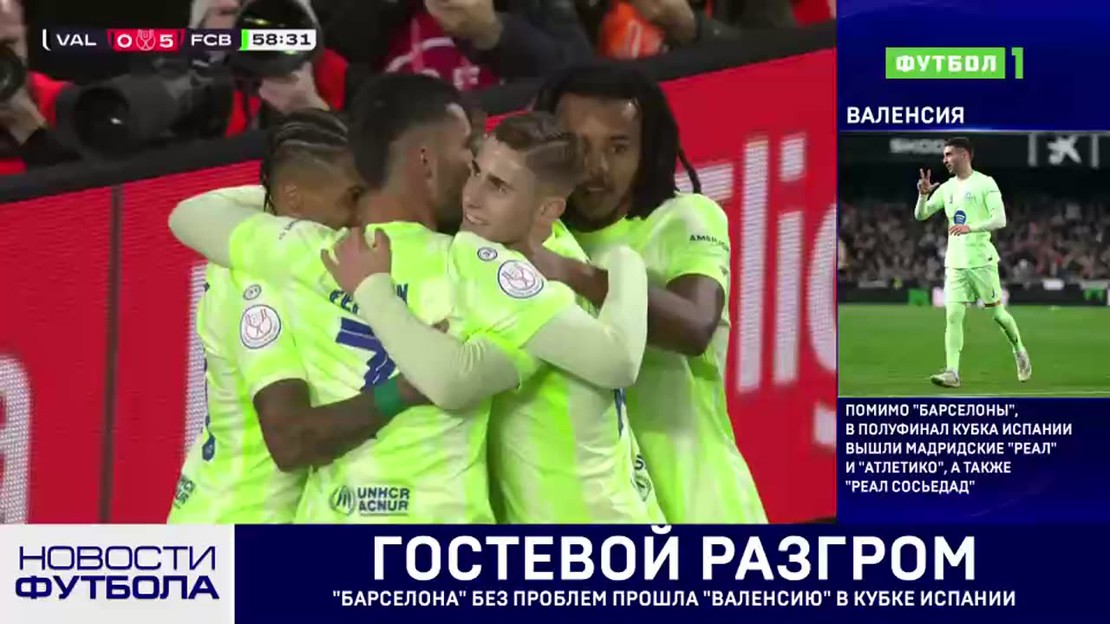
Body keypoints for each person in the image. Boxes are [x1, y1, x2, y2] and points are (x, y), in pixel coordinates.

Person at [170, 74, 489, 524]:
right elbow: (290, 440)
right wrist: (407, 387)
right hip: (235, 522)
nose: (363, 211)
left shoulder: (298, 257)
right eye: (354, 196)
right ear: (293, 199)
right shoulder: (261, 278)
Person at [323, 111, 662, 523]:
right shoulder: (558, 244)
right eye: (475, 172)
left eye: (498, 186)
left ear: (547, 210)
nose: (472, 196)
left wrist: (371, 288)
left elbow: (616, 360)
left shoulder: (487, 260)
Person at [530, 61, 767, 524]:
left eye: (618, 147)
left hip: (698, 507)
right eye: (577, 146)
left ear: (648, 149)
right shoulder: (538, 233)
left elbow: (694, 326)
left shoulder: (684, 218)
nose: (596, 168)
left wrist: (572, 274)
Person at [915, 137, 1031, 388]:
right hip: (955, 262)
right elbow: (921, 215)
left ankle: (1019, 350)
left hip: (981, 261)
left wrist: (971, 227)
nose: (944, 160)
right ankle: (952, 372)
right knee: (953, 316)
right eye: (944, 155)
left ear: (964, 155)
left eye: (949, 155)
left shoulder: (985, 183)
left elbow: (1000, 220)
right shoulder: (947, 188)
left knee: (998, 315)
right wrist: (923, 196)